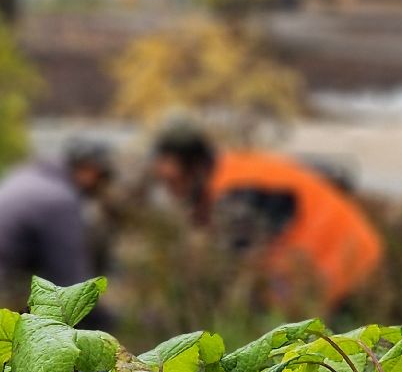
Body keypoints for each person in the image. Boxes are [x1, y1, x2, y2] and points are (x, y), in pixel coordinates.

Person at [151, 126, 383, 311]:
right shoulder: (234, 174)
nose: (171, 190)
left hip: (348, 269)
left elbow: (240, 272)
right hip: (341, 269)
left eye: (172, 179)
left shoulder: (236, 194)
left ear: (195, 167)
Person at [0, 142, 114, 333]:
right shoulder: (59, 200)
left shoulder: (31, 176)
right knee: (56, 328)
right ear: (88, 170)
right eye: (102, 177)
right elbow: (71, 285)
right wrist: (108, 323)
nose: (101, 186)